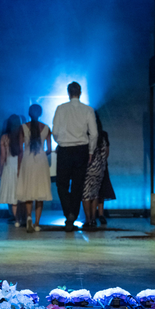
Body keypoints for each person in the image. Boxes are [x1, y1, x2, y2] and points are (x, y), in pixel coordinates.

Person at [52, 82, 97, 232]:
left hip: (65, 149)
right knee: (78, 184)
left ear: (68, 92)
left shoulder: (60, 108)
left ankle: (69, 214)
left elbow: (55, 132)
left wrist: (61, 141)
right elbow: (94, 134)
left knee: (61, 184)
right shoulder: (88, 110)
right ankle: (73, 214)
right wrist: (90, 151)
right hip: (81, 150)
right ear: (81, 92)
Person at [16, 104, 52, 232]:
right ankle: (37, 223)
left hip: (28, 159)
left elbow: (21, 149)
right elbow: (49, 149)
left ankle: (29, 217)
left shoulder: (23, 127)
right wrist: (42, 154)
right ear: (40, 113)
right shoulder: (46, 128)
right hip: (41, 160)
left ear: (29, 113)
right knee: (40, 190)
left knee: (29, 189)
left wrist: (19, 167)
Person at [82, 112, 108, 228]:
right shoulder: (103, 135)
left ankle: (88, 220)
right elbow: (106, 154)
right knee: (95, 195)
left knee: (86, 195)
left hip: (87, 169)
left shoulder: (85, 135)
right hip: (100, 169)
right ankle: (93, 219)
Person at [0, 114, 22, 226]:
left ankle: (16, 219)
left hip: (9, 166)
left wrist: (0, 170)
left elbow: (3, 156)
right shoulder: (22, 137)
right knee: (20, 194)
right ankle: (22, 218)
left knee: (11, 194)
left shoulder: (4, 137)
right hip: (20, 165)